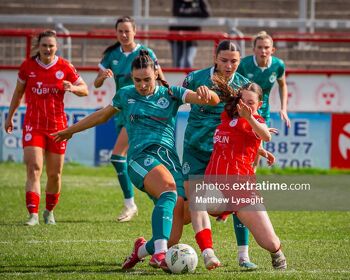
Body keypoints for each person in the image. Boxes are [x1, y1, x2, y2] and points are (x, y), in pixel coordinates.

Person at [52, 50, 220, 271]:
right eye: (137, 80)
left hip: (169, 162)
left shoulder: (171, 93)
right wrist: (71, 130)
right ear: (132, 78)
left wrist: (207, 93)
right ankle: (160, 254)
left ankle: (141, 250)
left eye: (147, 79)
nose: (142, 85)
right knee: (168, 190)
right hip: (140, 159)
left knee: (173, 235)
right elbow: (102, 115)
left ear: (157, 75)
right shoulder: (126, 94)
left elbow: (212, 101)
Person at [180, 40, 268, 270]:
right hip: (195, 149)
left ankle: (243, 255)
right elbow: (176, 100)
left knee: (241, 200)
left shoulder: (243, 87)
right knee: (195, 203)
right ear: (215, 58)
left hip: (226, 154)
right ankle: (208, 252)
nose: (229, 66)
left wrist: (256, 148)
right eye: (224, 60)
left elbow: (252, 124)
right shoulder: (194, 78)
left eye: (234, 61)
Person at [4, 30, 88, 226]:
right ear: (38, 47)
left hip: (58, 128)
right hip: (33, 125)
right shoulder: (27, 67)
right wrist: (10, 117)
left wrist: (72, 88)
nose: (47, 49)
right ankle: (32, 214)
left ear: (56, 47)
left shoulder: (65, 66)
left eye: (51, 45)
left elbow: (84, 89)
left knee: (54, 174)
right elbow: (17, 93)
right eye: (44, 45)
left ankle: (49, 211)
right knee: (34, 169)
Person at [201, 79, 287, 270]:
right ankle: (205, 247)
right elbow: (237, 141)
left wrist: (250, 119)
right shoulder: (227, 116)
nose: (246, 106)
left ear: (259, 105)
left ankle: (277, 253)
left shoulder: (256, 120)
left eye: (251, 103)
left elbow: (266, 136)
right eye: (243, 101)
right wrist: (259, 151)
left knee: (270, 243)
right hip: (215, 182)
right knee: (203, 205)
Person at [94, 16, 166, 222]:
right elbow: (97, 84)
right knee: (132, 160)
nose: (124, 35)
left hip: (140, 111)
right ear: (116, 33)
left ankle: (131, 204)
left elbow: (160, 78)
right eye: (120, 31)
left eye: (127, 31)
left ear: (135, 31)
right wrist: (102, 76)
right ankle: (159, 201)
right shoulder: (111, 55)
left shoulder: (146, 54)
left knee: (118, 157)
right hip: (122, 111)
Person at [169, 0, 211, 68]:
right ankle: (177, 79)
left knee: (188, 62)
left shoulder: (198, 2)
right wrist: (195, 14)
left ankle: (188, 78)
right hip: (177, 36)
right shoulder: (178, 2)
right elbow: (176, 13)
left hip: (192, 37)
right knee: (177, 63)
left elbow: (206, 13)